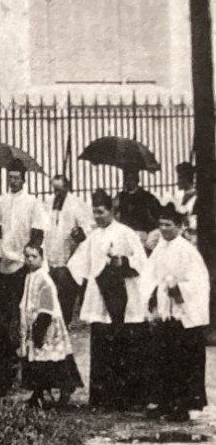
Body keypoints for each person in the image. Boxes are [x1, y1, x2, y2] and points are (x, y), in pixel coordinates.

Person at [68, 190, 150, 411]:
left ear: (112, 211)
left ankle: (131, 399)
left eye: (101, 212)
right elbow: (78, 265)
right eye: (94, 212)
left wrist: (122, 261)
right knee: (103, 345)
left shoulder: (126, 233)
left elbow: (141, 262)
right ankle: (103, 398)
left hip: (125, 295)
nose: (98, 216)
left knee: (126, 346)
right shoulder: (93, 237)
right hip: (100, 296)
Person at [143, 206, 210, 422]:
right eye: (160, 224)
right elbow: (149, 276)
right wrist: (151, 298)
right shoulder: (161, 249)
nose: (163, 229)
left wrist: (178, 289)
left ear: (180, 227)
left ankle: (185, 404)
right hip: (166, 313)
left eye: (168, 225)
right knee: (165, 360)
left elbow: (199, 283)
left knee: (184, 361)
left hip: (185, 314)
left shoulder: (187, 251)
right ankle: (166, 401)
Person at [0, 167, 48, 394]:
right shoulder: (2, 202)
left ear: (24, 179)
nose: (13, 181)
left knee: (23, 314)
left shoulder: (32, 203)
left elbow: (38, 232)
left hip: (23, 263)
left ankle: (26, 366)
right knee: (6, 314)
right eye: (10, 178)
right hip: (5, 262)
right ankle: (9, 364)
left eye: (16, 177)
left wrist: (30, 257)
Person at [17, 243, 82, 408]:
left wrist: (39, 329)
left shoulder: (44, 279)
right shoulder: (29, 276)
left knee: (51, 359)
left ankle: (63, 389)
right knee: (38, 362)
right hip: (33, 322)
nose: (30, 260)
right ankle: (38, 393)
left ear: (41, 258)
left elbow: (46, 307)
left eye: (34, 256)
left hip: (46, 324)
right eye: (27, 256)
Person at [44, 174, 91, 324]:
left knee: (66, 293)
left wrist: (79, 233)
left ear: (67, 188)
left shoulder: (76, 204)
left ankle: (65, 323)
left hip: (68, 256)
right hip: (51, 253)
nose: (57, 193)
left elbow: (86, 229)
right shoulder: (48, 203)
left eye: (60, 190)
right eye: (55, 190)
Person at [115, 166, 162, 238]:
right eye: (126, 180)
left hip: (140, 230)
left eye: (131, 179)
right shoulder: (121, 196)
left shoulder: (145, 195)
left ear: (136, 180)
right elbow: (115, 210)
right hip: (124, 229)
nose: (128, 182)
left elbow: (155, 212)